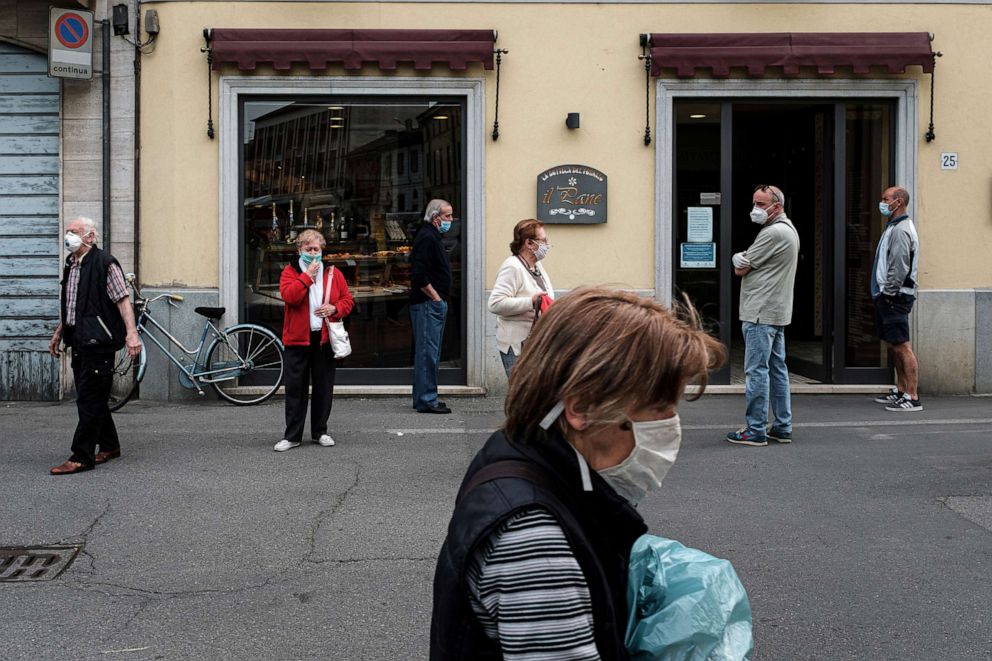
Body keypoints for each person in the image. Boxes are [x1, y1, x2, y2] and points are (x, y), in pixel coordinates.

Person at [431, 287, 726, 660]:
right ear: (582, 407)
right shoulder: (535, 540)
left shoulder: (519, 452)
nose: (671, 424)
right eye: (659, 407)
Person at [48, 217, 142, 475]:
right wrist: (59, 333)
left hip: (98, 342)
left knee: (89, 400)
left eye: (75, 231)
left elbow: (123, 300)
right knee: (94, 398)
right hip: (78, 340)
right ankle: (110, 446)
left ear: (90, 237)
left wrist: (132, 334)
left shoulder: (105, 263)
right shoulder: (72, 265)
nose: (69, 235)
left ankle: (81, 456)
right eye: (68, 231)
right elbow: (72, 306)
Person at [726, 184, 800, 447]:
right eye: (754, 203)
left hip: (759, 313)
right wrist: (742, 259)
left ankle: (755, 429)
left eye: (760, 204)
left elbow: (740, 269)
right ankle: (782, 426)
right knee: (777, 370)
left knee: (756, 371)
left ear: (776, 206)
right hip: (776, 312)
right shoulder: (787, 229)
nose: (755, 209)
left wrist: (739, 257)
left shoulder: (773, 233)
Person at [274, 229, 354, 452]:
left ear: (322, 250)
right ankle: (292, 436)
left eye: (316, 249)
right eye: (308, 249)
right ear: (299, 250)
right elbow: (290, 296)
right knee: (295, 389)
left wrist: (334, 308)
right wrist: (307, 276)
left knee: (323, 386)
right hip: (297, 340)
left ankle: (320, 431)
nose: (312, 253)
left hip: (323, 338)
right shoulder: (290, 272)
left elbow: (348, 300)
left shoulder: (332, 273)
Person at [871, 186, 923, 412]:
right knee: (895, 345)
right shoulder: (894, 226)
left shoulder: (901, 229)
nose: (882, 202)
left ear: (898, 202)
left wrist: (888, 293)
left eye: (885, 199)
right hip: (891, 295)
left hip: (895, 296)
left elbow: (899, 266)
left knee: (902, 346)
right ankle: (901, 389)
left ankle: (912, 396)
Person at [487, 219, 555, 376]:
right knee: (522, 396)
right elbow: (495, 304)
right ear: (529, 243)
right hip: (517, 346)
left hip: (534, 344)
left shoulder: (537, 266)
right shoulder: (512, 267)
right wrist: (530, 302)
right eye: (543, 240)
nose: (547, 244)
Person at [410, 199, 454, 414]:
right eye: (447, 216)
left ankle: (424, 397)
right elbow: (419, 274)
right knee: (428, 353)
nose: (451, 220)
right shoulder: (427, 237)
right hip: (428, 304)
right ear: (436, 217)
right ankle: (427, 400)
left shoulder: (431, 236)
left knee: (428, 352)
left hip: (430, 303)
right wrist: (435, 297)